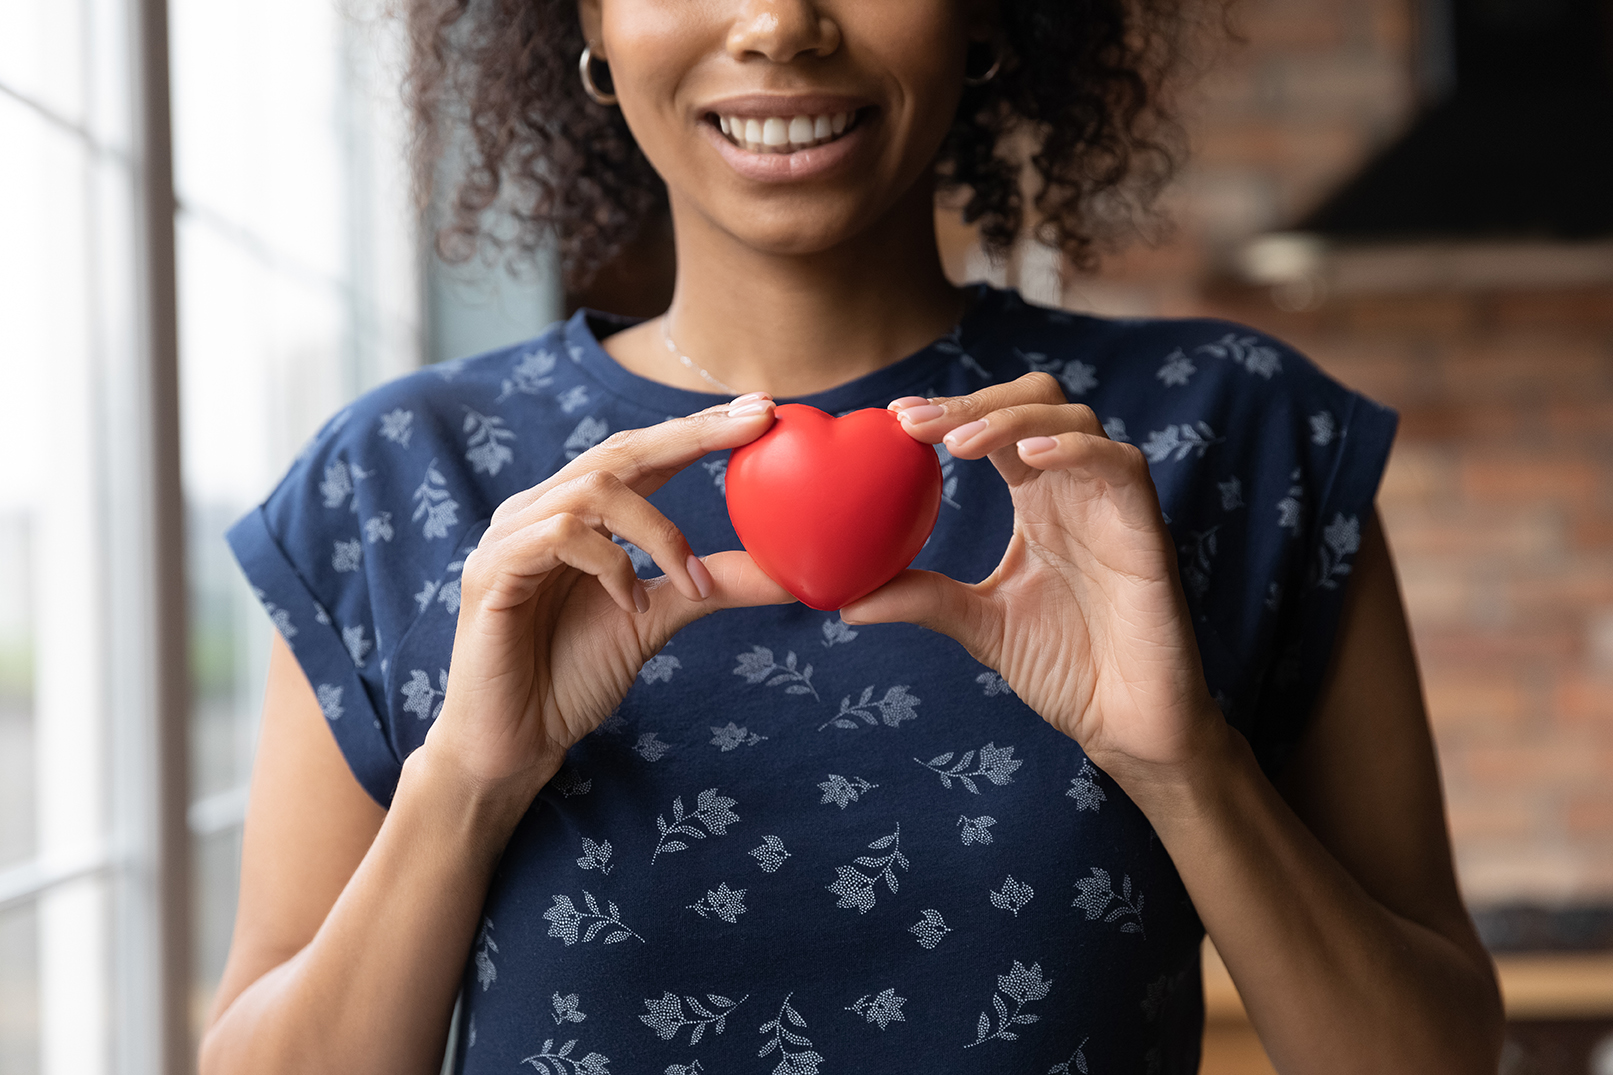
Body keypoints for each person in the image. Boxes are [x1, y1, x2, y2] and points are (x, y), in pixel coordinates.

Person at [200, 1, 1506, 1073]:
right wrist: (465, 787)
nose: (778, 24)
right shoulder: (399, 476)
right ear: (585, 21)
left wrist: (1181, 767)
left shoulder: (1223, 435)